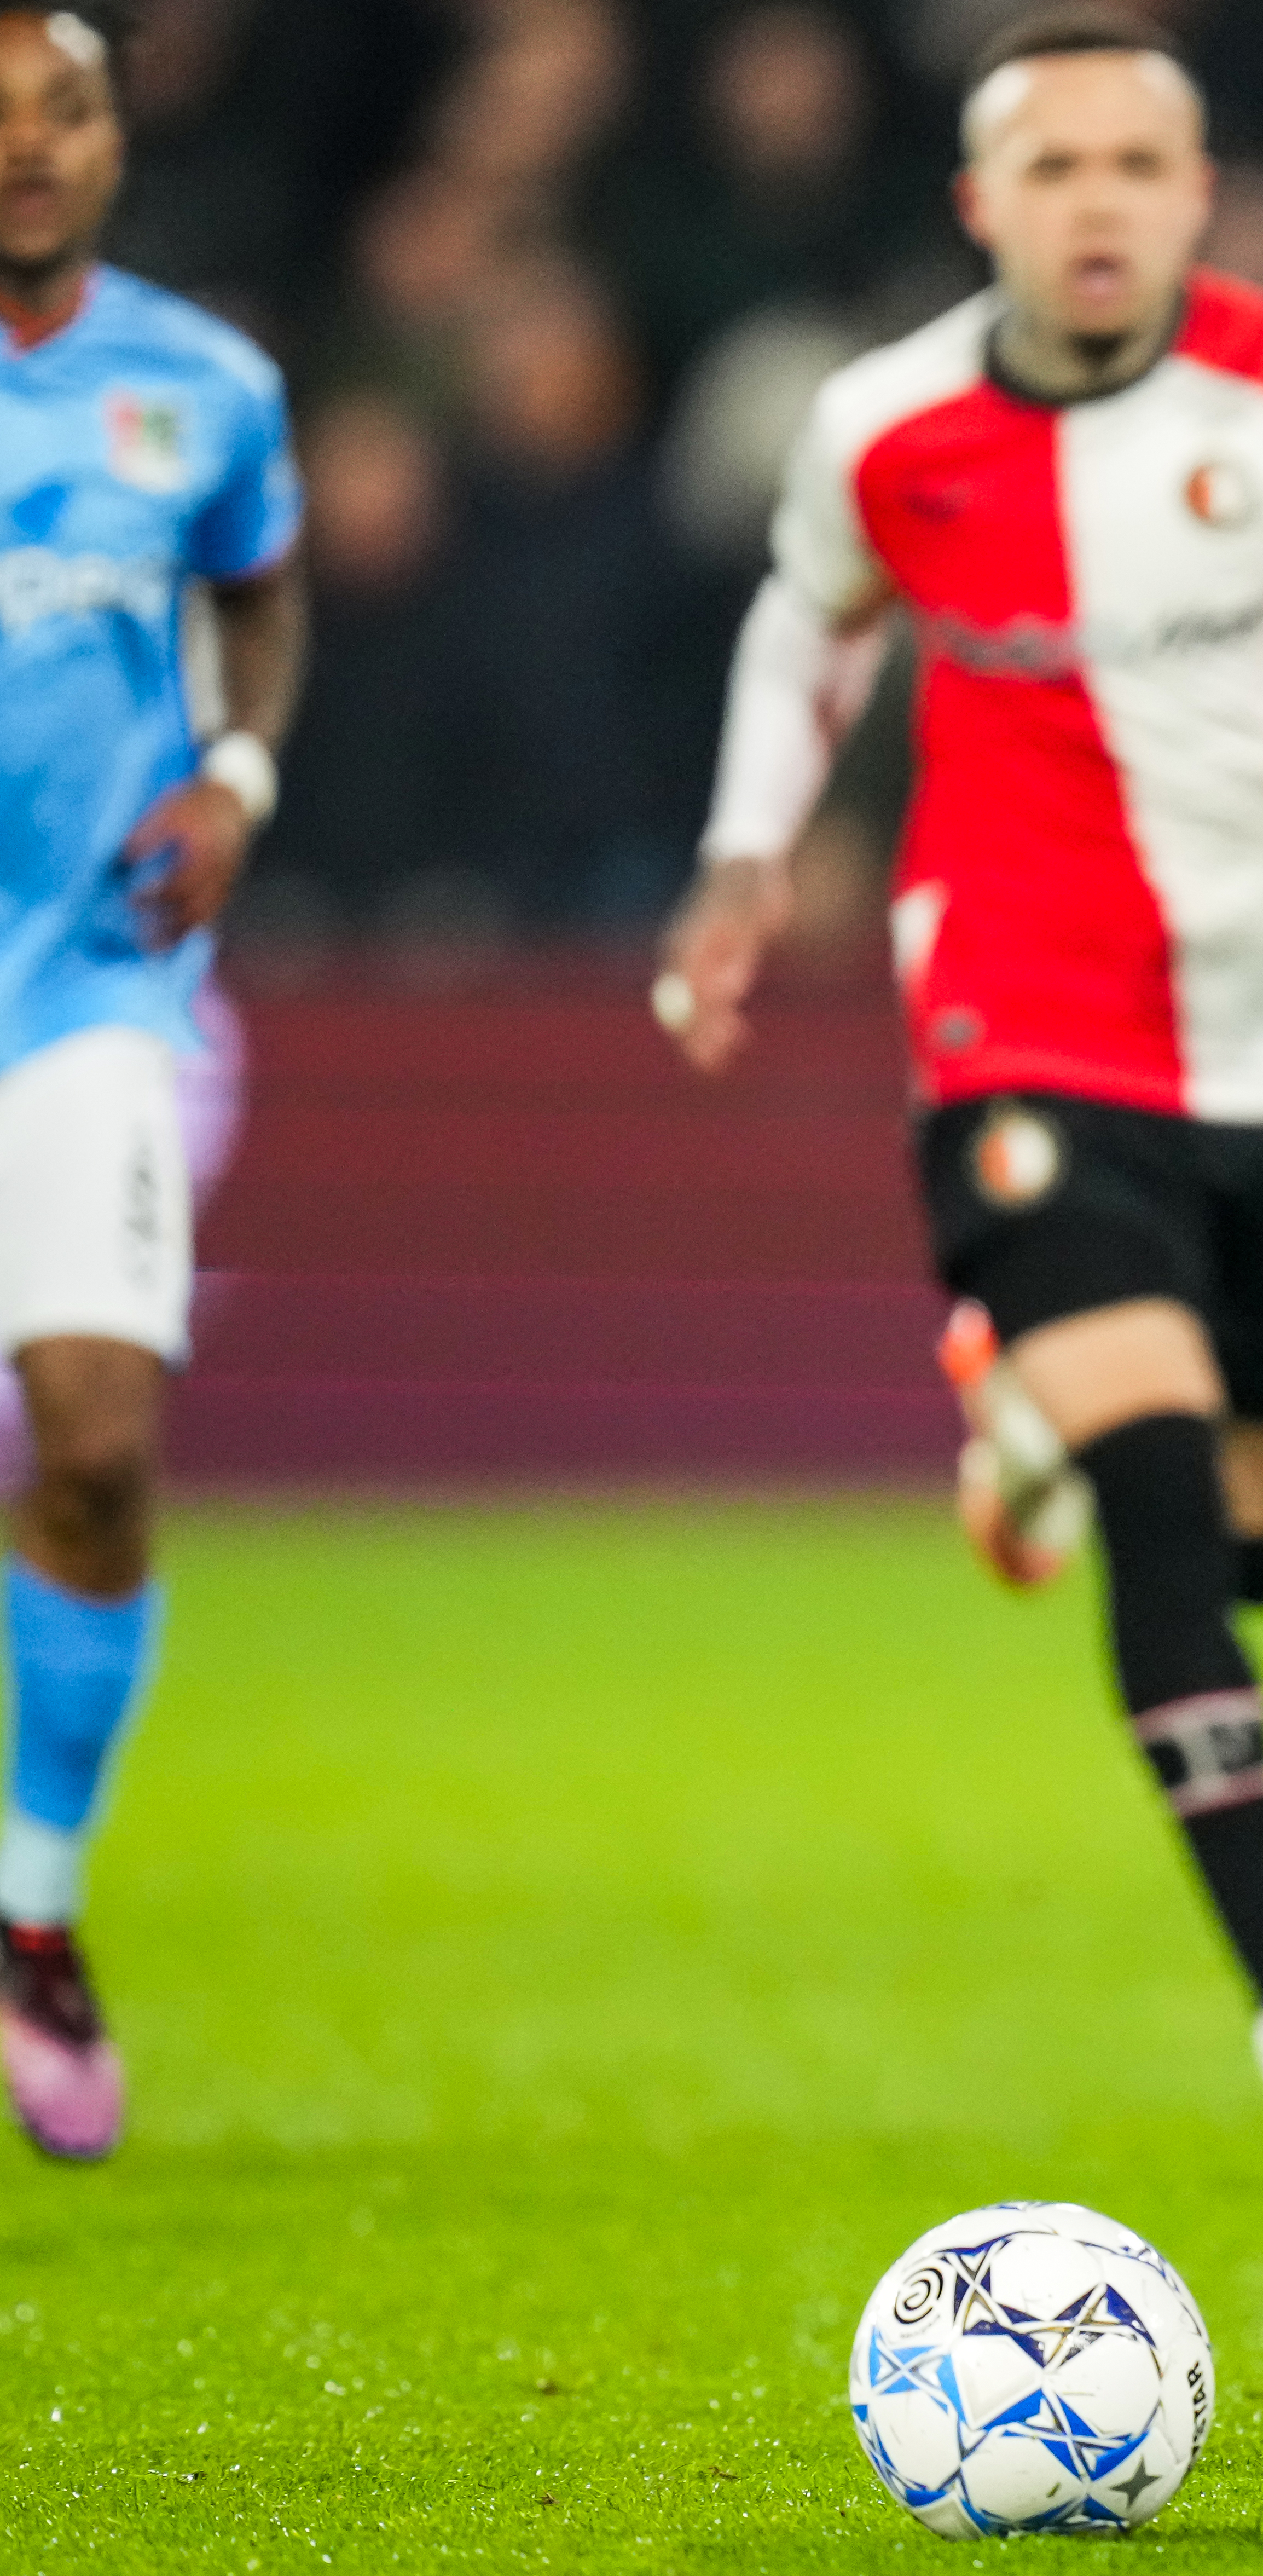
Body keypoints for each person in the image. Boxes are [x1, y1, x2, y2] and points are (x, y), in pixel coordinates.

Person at [654, 4, 1263, 2174]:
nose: (1096, 205)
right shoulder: (882, 425)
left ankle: (1025, 1412)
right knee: (1167, 1494)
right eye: (1051, 167)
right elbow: (809, 625)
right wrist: (742, 858)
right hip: (1024, 1011)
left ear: (1195, 199)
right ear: (980, 204)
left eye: (1134, 167)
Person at [0, 4, 304, 2165]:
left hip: (89, 991)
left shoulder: (206, 386)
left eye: (66, 109)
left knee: (99, 1451)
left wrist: (238, 772)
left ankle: (33, 1913)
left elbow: (260, 599)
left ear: (118, 137)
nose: (27, 145)